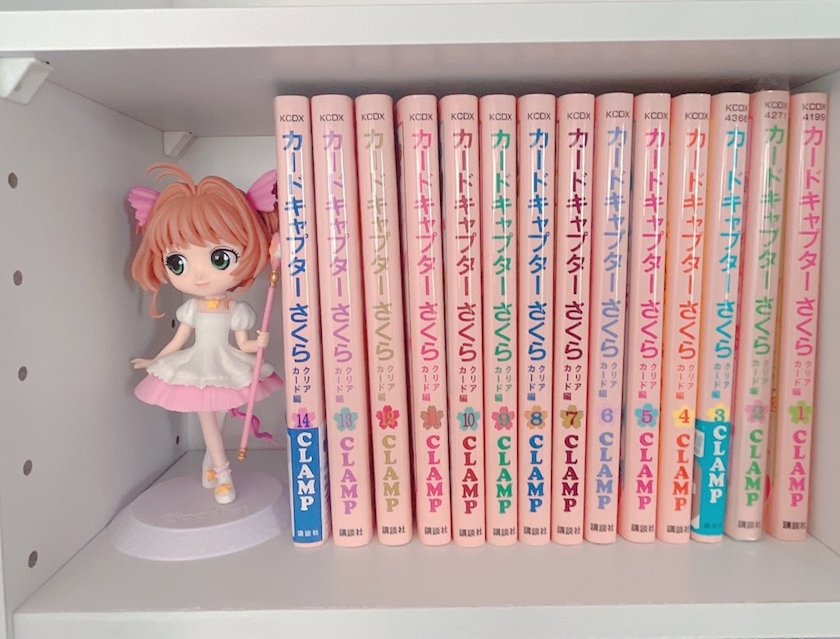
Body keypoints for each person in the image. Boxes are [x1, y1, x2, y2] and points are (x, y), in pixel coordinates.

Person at [128, 164, 282, 505]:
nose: (199, 276)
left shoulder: (237, 310)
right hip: (197, 365)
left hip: (225, 363)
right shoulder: (192, 308)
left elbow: (242, 342)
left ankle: (208, 463)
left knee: (221, 415)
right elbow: (179, 340)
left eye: (219, 258)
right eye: (178, 263)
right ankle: (223, 474)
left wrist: (257, 343)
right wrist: (156, 360)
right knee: (207, 417)